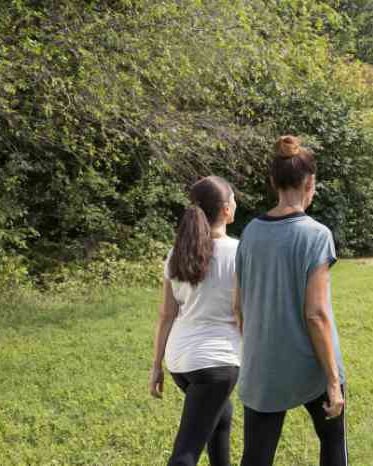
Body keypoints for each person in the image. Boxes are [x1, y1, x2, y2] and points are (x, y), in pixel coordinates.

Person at [234, 135, 348, 466]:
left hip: (263, 368)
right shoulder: (317, 235)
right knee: (332, 444)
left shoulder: (250, 232)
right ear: (310, 182)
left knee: (255, 457)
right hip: (314, 366)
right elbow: (316, 315)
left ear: (274, 182)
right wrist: (332, 382)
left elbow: (238, 308)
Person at [149, 176, 241, 466]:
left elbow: (166, 315)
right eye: (235, 200)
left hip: (180, 363)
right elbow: (241, 314)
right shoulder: (239, 252)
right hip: (217, 364)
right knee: (185, 454)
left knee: (219, 418)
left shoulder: (177, 253)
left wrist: (156, 366)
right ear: (226, 210)